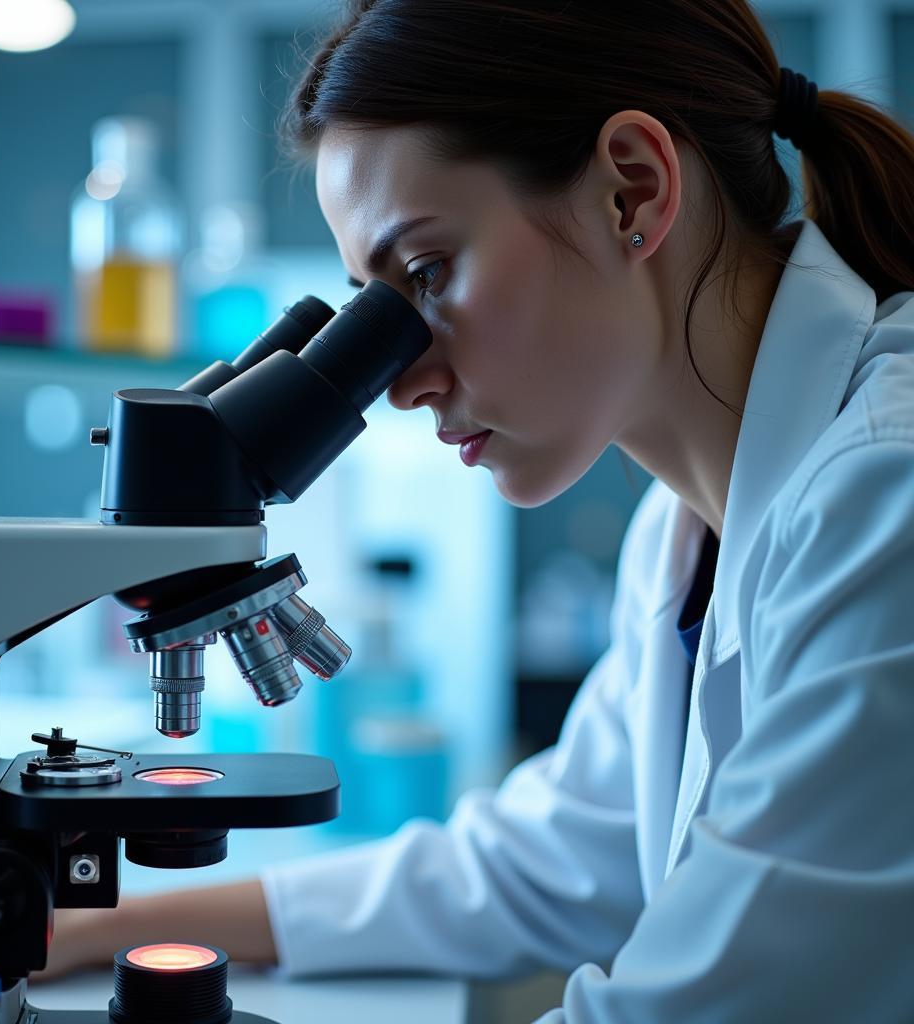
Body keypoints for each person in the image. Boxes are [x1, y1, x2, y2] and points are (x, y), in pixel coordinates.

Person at [44, 1, 914, 1019]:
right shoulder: (681, 531)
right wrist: (107, 930)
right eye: (369, 312)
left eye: (423, 274)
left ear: (632, 190)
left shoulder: (884, 503)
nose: (400, 384)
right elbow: (538, 863)